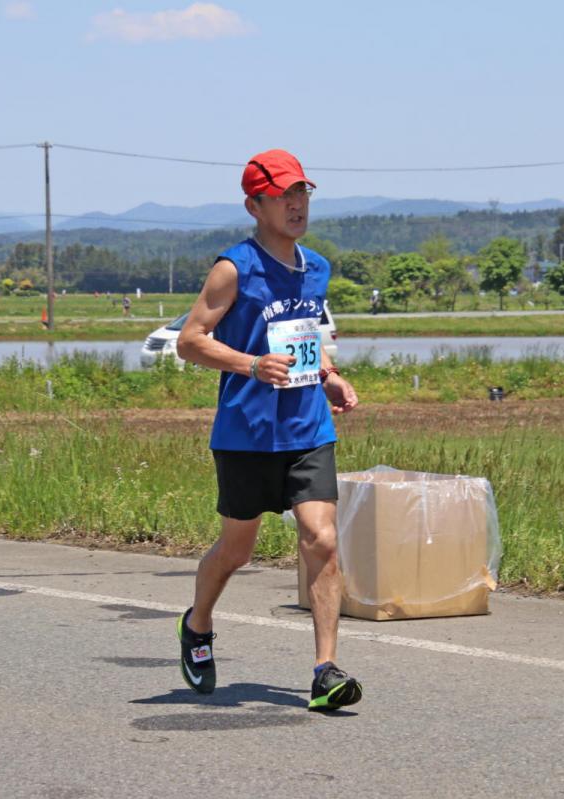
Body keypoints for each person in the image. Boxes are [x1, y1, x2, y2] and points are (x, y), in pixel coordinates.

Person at [175, 148, 362, 712]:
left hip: (307, 427)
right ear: (255, 205)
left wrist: (326, 374)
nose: (296, 204)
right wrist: (251, 365)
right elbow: (190, 342)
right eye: (283, 195)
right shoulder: (234, 268)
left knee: (322, 539)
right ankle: (198, 624)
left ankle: (324, 671)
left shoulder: (317, 268)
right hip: (246, 434)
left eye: (301, 192)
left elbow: (306, 336)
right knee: (237, 549)